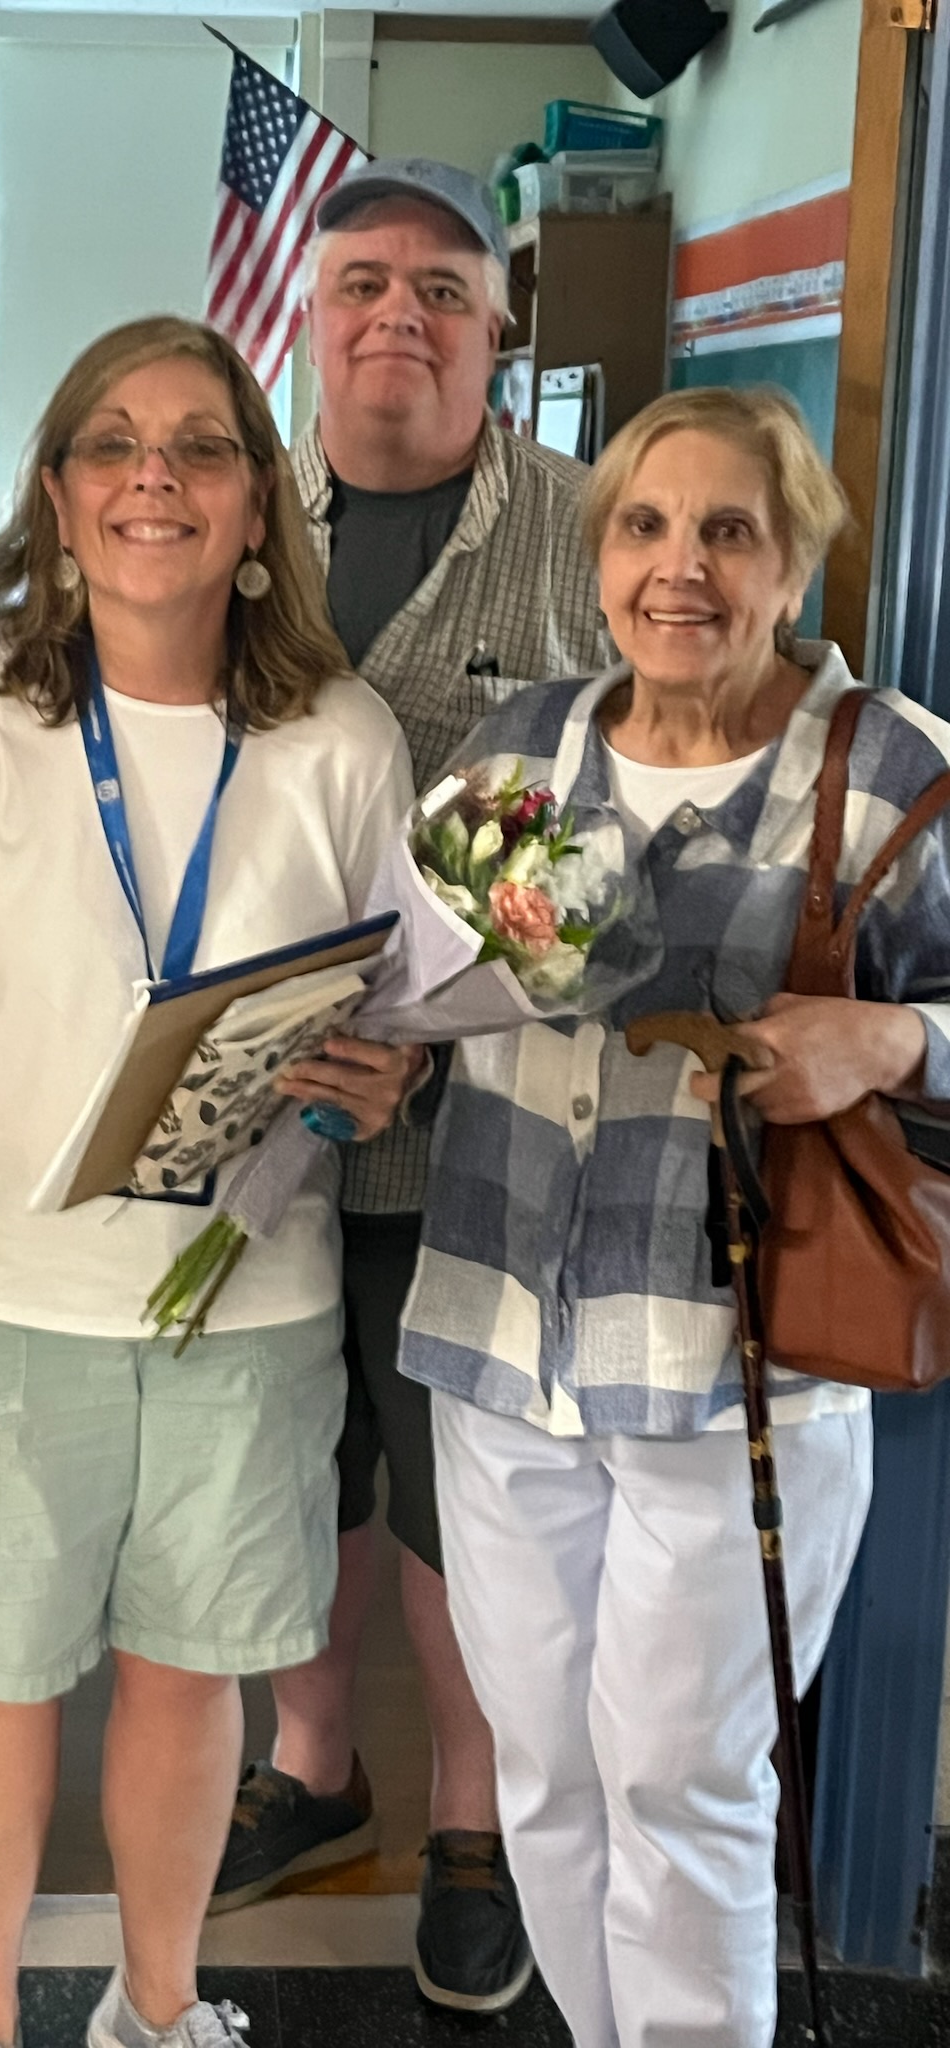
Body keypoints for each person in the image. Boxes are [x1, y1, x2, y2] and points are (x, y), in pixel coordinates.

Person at [399, 384, 950, 2046]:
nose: (681, 568)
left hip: (736, 1364)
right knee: (550, 1774)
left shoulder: (889, 773)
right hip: (502, 1344)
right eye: (645, 526)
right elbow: (420, 987)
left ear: (796, 562)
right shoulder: (515, 754)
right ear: (600, 553)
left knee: (684, 1784)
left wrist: (892, 1035)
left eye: (731, 530)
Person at [0, 315, 421, 2048]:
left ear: (260, 507)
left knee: (190, 1673)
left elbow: (394, 1000)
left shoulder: (340, 734)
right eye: (111, 444)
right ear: (55, 495)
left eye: (202, 449)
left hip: (244, 1298)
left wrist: (379, 1072)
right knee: (1, 1672)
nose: (154, 481)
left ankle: (157, 2005)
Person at [211, 156, 606, 2016]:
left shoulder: (591, 533)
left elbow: (633, 806)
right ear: (306, 314)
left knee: (468, 1510)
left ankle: (471, 1824)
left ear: (500, 330)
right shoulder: (219, 512)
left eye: (443, 292)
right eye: (362, 282)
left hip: (489, 1135)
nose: (399, 318)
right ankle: (312, 1774)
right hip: (254, 1127)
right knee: (300, 1480)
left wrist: (415, 1033)